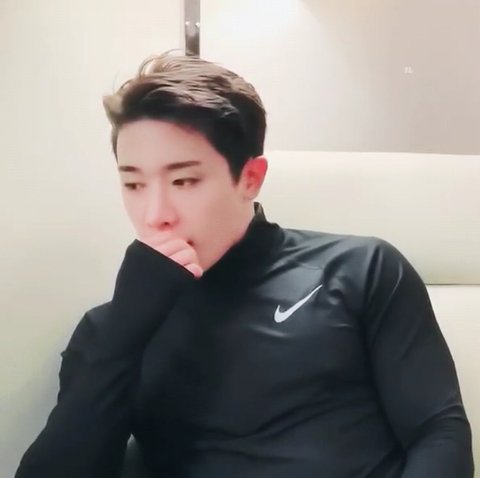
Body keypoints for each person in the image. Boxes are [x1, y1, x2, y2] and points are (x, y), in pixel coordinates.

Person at [16, 52, 474, 478]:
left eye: (183, 181)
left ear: (250, 178)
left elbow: (440, 433)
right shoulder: (110, 330)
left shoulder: (359, 270)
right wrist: (122, 336)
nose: (155, 214)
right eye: (133, 185)